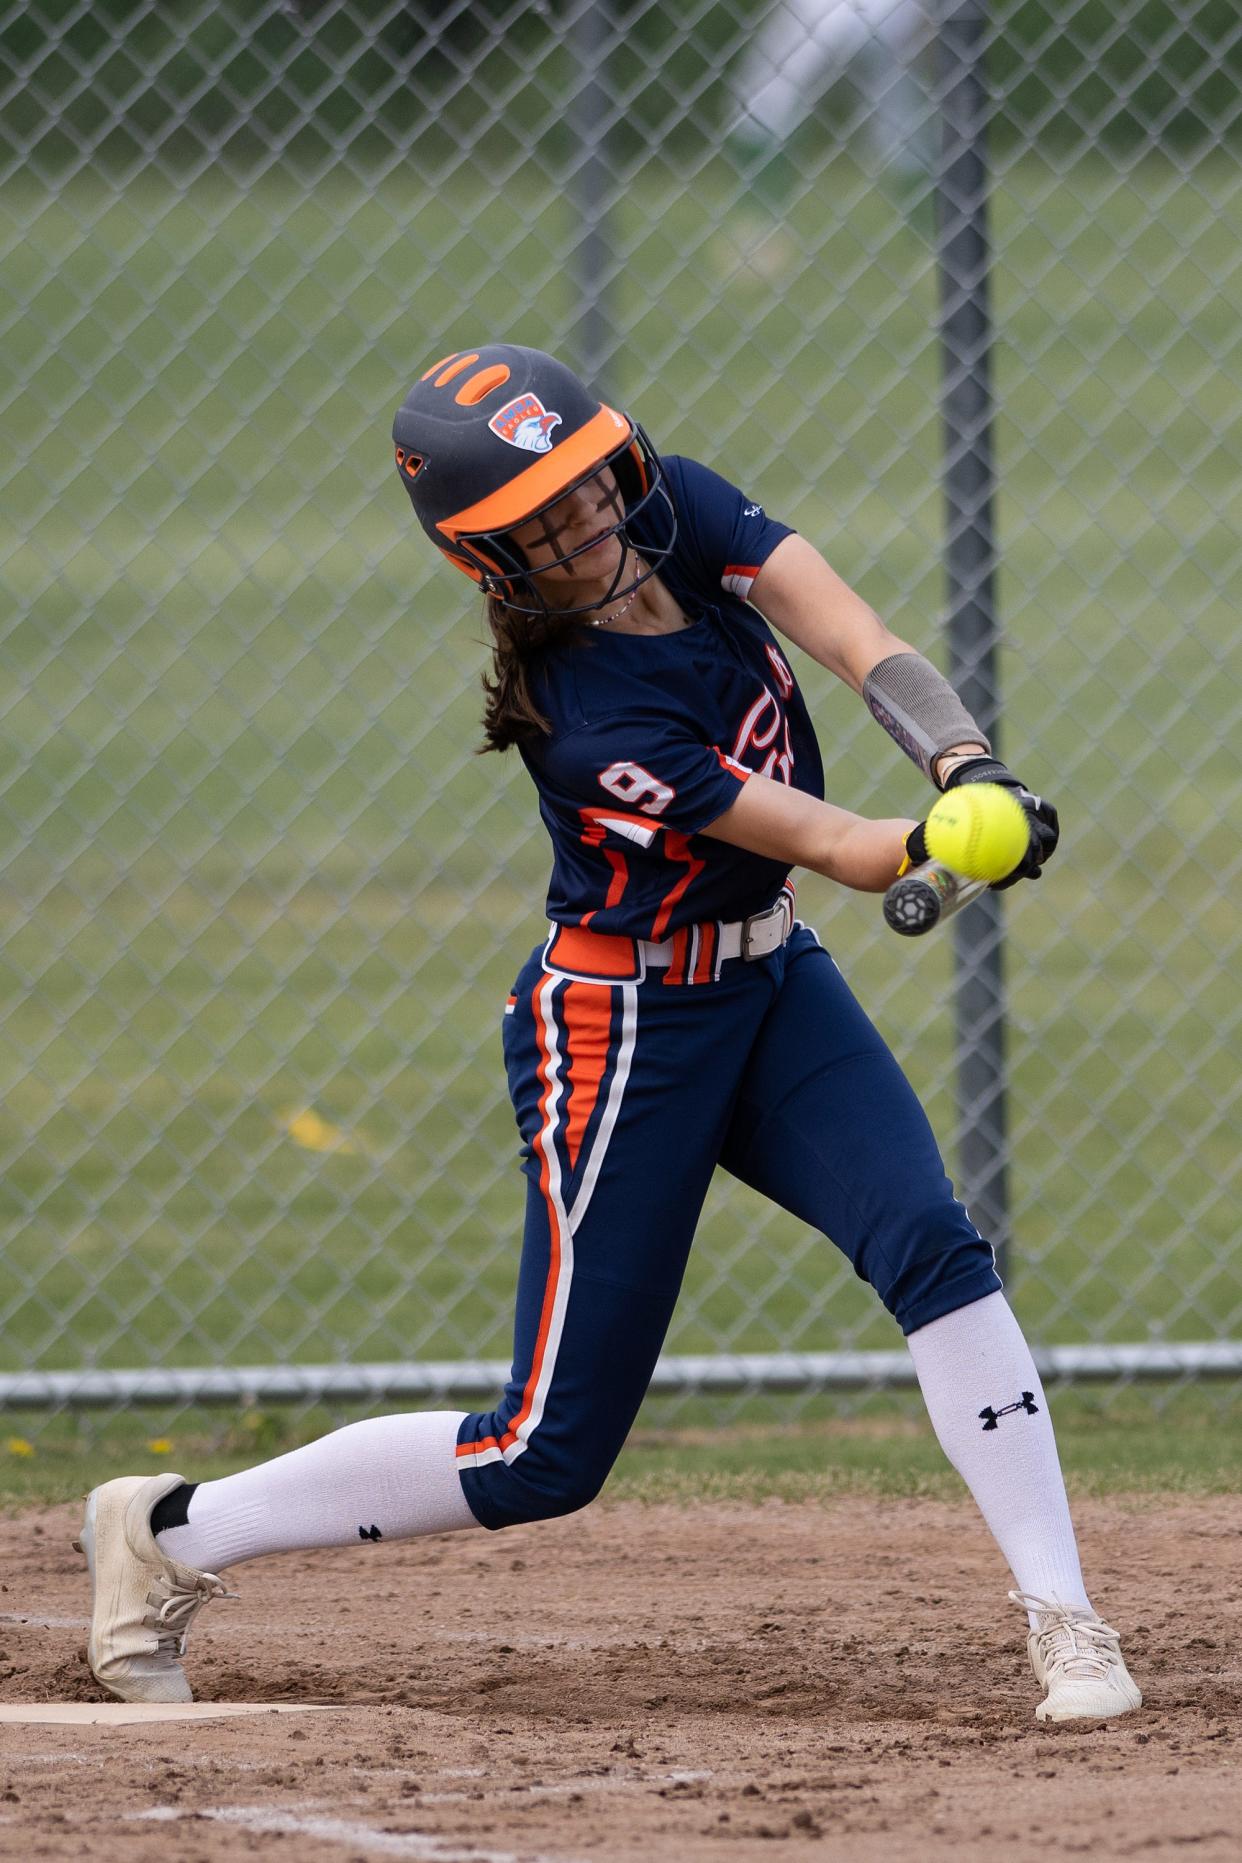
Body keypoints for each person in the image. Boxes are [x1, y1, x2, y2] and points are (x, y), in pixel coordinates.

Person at [78, 343, 1141, 1723]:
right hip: (624, 1025)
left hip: (770, 983)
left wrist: (964, 765)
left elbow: (854, 638)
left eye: (593, 484)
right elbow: (832, 843)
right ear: (490, 560)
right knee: (542, 1456)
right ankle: (165, 1531)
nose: (591, 523)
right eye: (549, 517)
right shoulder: (588, 717)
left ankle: (1065, 1620)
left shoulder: (677, 510)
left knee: (931, 1249)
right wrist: (936, 837)